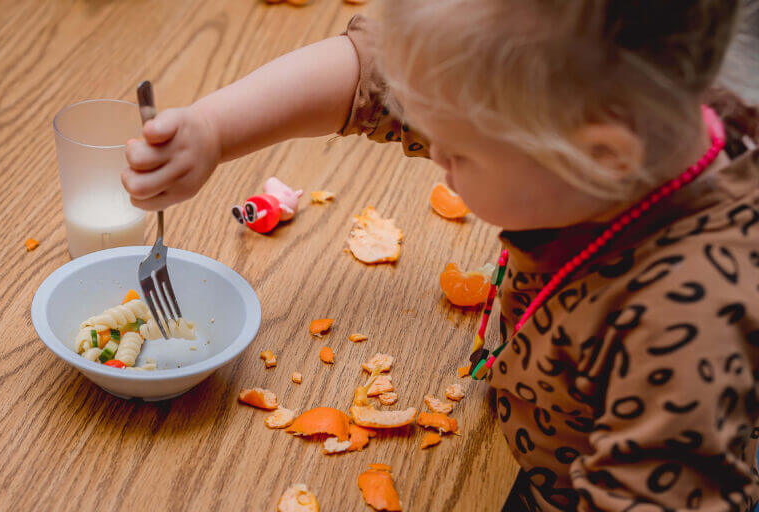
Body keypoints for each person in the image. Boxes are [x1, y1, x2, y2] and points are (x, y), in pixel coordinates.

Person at [122, 1, 759, 509]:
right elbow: (367, 74)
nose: (434, 155)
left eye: (454, 150)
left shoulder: (683, 329)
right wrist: (211, 129)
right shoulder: (584, 137)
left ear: (600, 156)